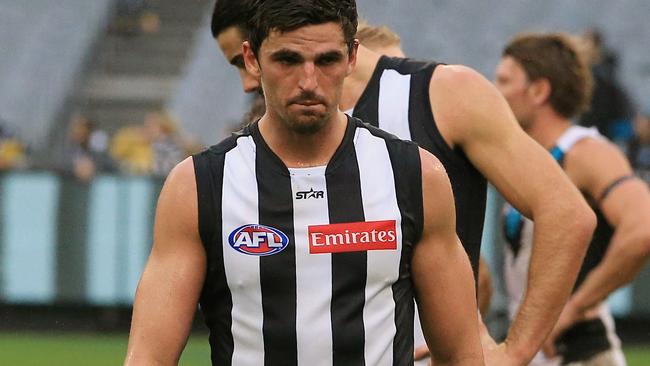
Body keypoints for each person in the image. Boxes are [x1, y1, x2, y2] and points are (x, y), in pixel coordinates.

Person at [210, 2, 596, 365]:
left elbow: (566, 213)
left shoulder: (442, 93)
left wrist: (515, 351)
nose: (246, 82)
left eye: (237, 62)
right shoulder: (277, 132)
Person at [125, 1, 485, 365]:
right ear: (252, 59)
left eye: (327, 60)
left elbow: (462, 355)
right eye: (288, 60)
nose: (309, 82)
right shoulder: (198, 187)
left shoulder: (415, 176)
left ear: (351, 57)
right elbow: (149, 358)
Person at [494, 32, 650, 366]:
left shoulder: (586, 151)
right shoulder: (525, 159)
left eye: (504, 81)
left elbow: (643, 229)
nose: (495, 93)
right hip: (537, 352)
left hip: (580, 351)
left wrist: (573, 309)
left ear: (539, 91)